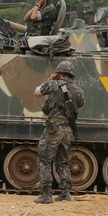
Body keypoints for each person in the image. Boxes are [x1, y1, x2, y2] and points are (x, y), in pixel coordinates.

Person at [33, 61, 85, 204]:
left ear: (59, 73)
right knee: (62, 161)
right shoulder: (79, 91)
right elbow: (80, 104)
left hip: (54, 128)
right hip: (68, 129)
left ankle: (46, 194)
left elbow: (37, 92)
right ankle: (65, 193)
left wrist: (51, 79)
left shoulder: (53, 84)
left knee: (44, 160)